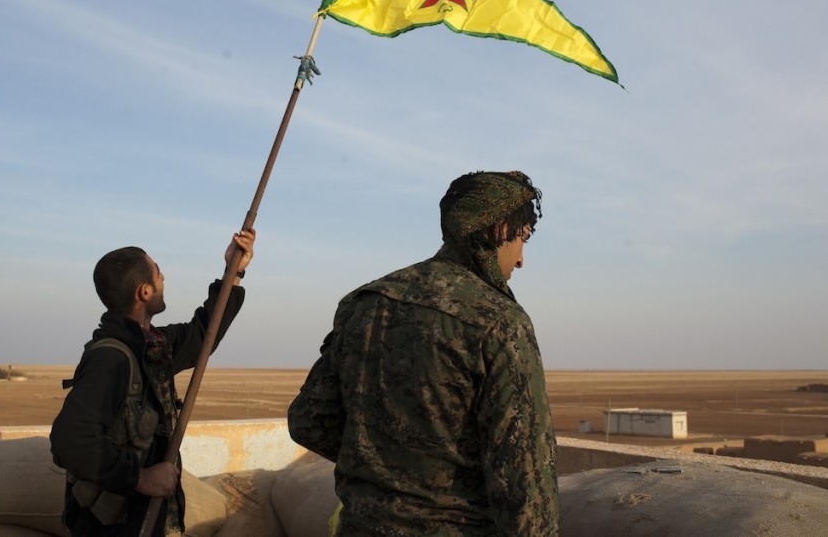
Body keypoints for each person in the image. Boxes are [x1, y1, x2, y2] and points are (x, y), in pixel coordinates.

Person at [288, 171, 558, 536]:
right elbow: (526, 491)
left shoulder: (365, 303)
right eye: (522, 238)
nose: (522, 258)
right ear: (497, 231)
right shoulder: (500, 322)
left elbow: (308, 421)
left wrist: (385, 469)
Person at [50, 228, 256, 536]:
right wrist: (141, 478)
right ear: (144, 292)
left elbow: (203, 334)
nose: (163, 279)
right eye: (158, 273)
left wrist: (233, 271)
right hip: (110, 528)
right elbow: (70, 442)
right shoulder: (110, 359)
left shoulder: (153, 345)